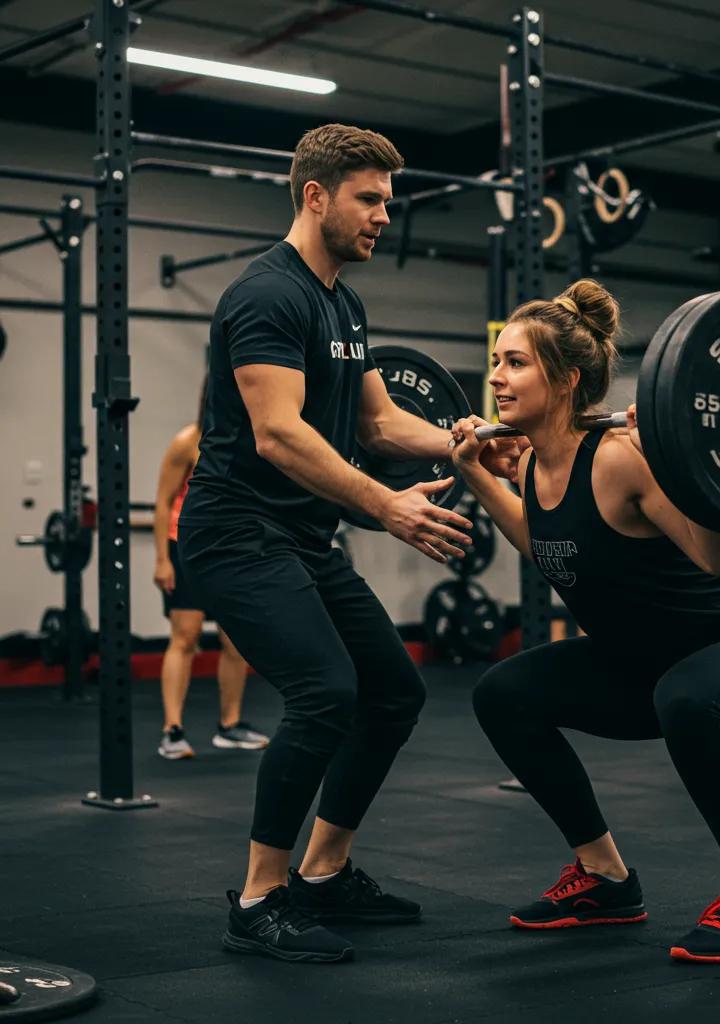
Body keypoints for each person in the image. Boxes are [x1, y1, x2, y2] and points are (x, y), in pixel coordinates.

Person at [177, 123, 517, 964]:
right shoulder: (268, 294)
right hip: (235, 532)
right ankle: (258, 900)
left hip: (300, 536)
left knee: (393, 691)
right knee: (325, 691)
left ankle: (323, 873)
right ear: (315, 196)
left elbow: (379, 422)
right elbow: (278, 434)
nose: (384, 218)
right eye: (369, 200)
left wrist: (471, 441)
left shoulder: (343, 303)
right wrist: (386, 506)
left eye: (387, 202)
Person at [450, 280, 720, 964]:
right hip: (647, 663)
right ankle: (605, 878)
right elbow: (547, 547)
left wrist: (692, 469)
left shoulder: (620, 459)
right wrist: (477, 476)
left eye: (515, 362)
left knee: (687, 696)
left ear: (566, 380)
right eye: (497, 361)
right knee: (503, 694)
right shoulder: (532, 464)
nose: (496, 376)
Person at [153, 378, 269, 759]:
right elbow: (163, 502)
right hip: (185, 548)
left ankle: (229, 725)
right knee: (184, 637)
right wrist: (162, 560)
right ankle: (172, 730)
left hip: (229, 550)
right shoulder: (189, 441)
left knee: (236, 641)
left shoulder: (248, 440)